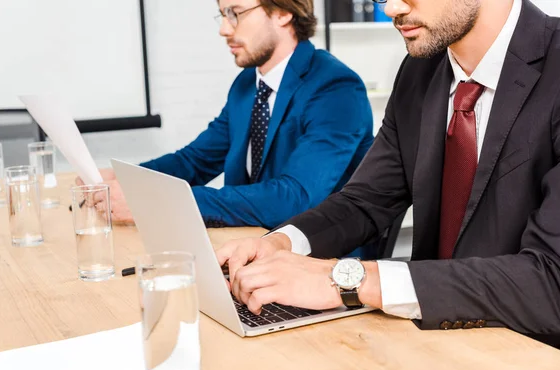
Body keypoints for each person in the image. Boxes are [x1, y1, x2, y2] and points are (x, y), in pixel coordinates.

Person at [216, 0, 560, 351]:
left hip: (545, 353)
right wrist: (282, 243)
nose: (393, 8)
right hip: (433, 336)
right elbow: (365, 202)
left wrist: (348, 281)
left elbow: (556, 286)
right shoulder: (421, 68)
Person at [79, 0, 374, 229]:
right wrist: (125, 179)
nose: (224, 29)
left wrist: (159, 202)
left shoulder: (335, 88)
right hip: (248, 242)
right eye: (222, 14)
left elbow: (295, 197)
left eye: (235, 13)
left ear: (283, 12)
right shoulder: (248, 84)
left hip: (317, 261)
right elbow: (195, 161)